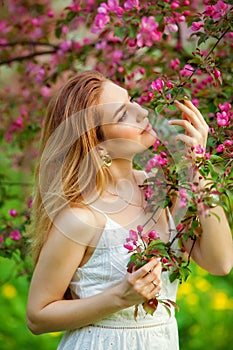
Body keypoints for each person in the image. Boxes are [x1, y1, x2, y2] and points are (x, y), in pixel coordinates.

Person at [26, 70, 233, 350]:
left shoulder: (163, 189)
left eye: (132, 100)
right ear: (97, 144)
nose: (143, 111)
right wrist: (119, 298)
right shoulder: (81, 217)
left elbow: (220, 262)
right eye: (123, 115)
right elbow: (38, 316)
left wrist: (199, 167)